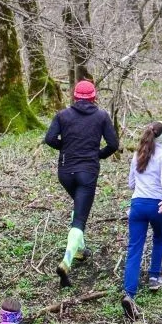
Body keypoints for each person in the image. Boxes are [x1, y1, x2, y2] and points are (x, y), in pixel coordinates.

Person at [43, 79, 120, 288]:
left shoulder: (62, 115)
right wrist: (98, 155)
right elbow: (114, 144)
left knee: (79, 207)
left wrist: (65, 146)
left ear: (75, 97)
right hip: (87, 172)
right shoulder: (102, 116)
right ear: (94, 97)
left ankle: (79, 250)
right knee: (80, 219)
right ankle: (66, 260)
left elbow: (49, 139)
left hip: (66, 172)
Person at [121, 121, 162, 320]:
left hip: (137, 205)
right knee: (159, 238)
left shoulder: (138, 155)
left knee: (135, 248)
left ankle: (129, 293)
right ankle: (154, 277)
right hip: (157, 206)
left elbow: (131, 183)